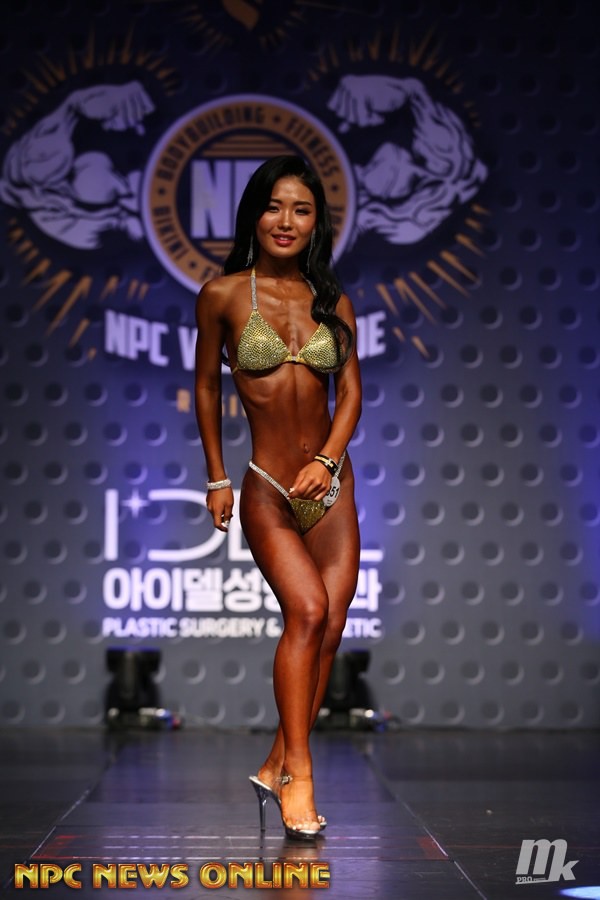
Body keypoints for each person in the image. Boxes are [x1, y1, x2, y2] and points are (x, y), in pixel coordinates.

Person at [194, 155, 362, 839]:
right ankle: (299, 772)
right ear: (254, 216)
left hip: (331, 486)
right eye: (273, 207)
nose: (285, 221)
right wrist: (216, 476)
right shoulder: (224, 295)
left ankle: (274, 764)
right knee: (308, 610)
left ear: (316, 222)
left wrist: (328, 460)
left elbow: (351, 394)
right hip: (267, 486)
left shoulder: (333, 302)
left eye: (301, 209)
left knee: (331, 626)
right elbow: (206, 387)